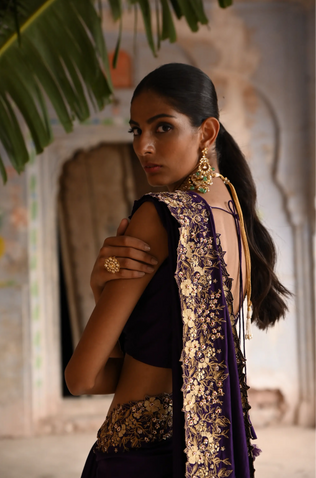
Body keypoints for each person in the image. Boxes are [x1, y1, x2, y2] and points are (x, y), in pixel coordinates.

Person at [65, 63, 290, 478]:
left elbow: (82, 378)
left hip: (136, 458)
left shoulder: (160, 215)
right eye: (136, 130)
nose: (143, 146)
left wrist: (101, 282)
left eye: (162, 128)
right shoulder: (235, 210)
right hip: (209, 450)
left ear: (206, 132)